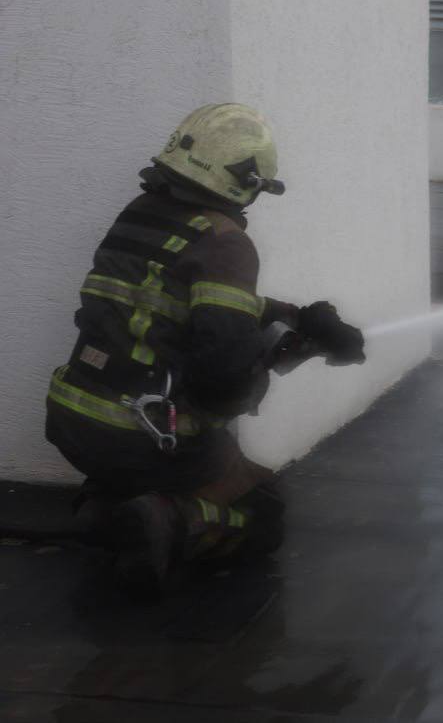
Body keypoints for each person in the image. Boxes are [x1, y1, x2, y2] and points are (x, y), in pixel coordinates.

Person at [45, 103, 365, 595]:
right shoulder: (225, 242)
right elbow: (223, 375)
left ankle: (105, 510)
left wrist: (299, 319)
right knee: (263, 511)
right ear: (243, 180)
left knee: (144, 466)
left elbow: (177, 302)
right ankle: (165, 520)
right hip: (145, 437)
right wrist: (270, 363)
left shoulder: (138, 216)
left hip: (75, 421)